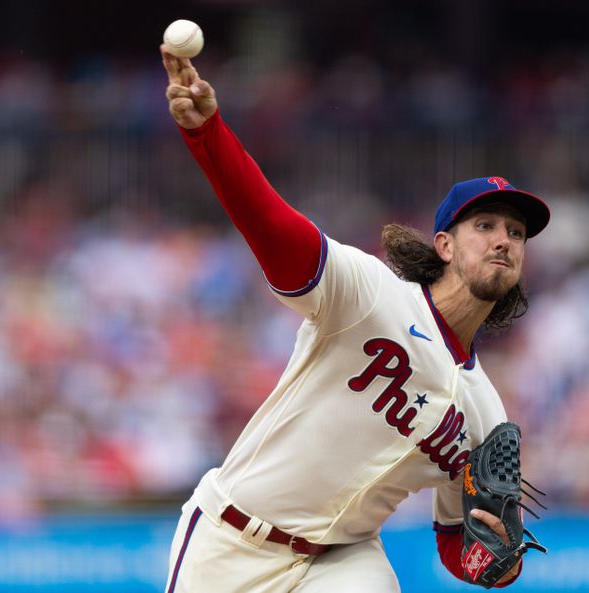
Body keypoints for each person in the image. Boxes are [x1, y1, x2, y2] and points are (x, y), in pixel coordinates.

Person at [160, 44, 551, 593]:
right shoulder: (371, 294)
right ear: (443, 244)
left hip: (341, 561)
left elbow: (454, 542)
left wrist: (497, 563)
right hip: (231, 538)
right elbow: (272, 226)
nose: (504, 241)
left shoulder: (484, 411)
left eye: (516, 234)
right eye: (485, 225)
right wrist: (209, 136)